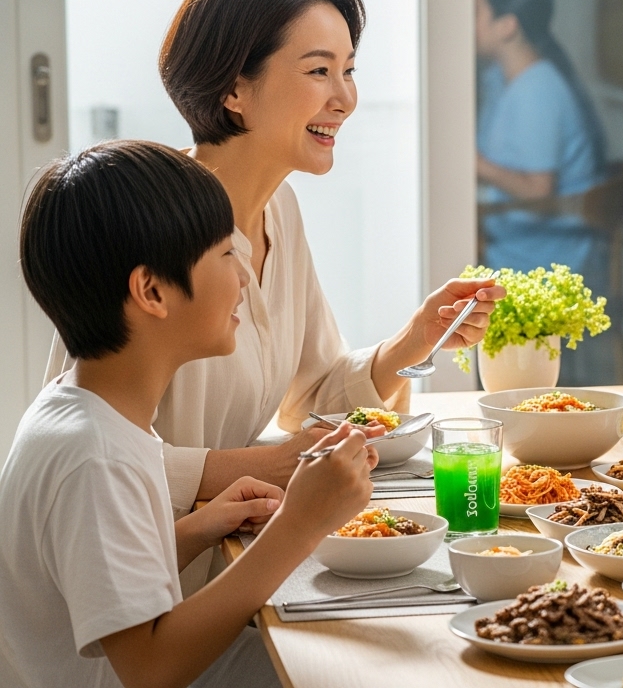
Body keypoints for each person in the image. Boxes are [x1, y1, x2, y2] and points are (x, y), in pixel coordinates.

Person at [48, 0, 504, 524]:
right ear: (235, 88)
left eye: (350, 71)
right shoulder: (145, 221)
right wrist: (253, 467)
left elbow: (311, 399)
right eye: (318, 71)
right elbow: (77, 448)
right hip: (152, 566)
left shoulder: (279, 211)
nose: (345, 99)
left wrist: (417, 336)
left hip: (236, 540)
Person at [0, 140, 372, 687]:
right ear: (152, 290)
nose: (246, 279)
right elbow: (151, 667)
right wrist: (299, 526)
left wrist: (202, 527)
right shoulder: (96, 458)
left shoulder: (84, 410)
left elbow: (98, 581)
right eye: (227, 255)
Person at [475, 0, 610, 290]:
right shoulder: (498, 79)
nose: (466, 24)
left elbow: (538, 190)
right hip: (507, 232)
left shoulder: (538, 90)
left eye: (476, 12)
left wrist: (474, 164)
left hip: (544, 255)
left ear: (507, 26)